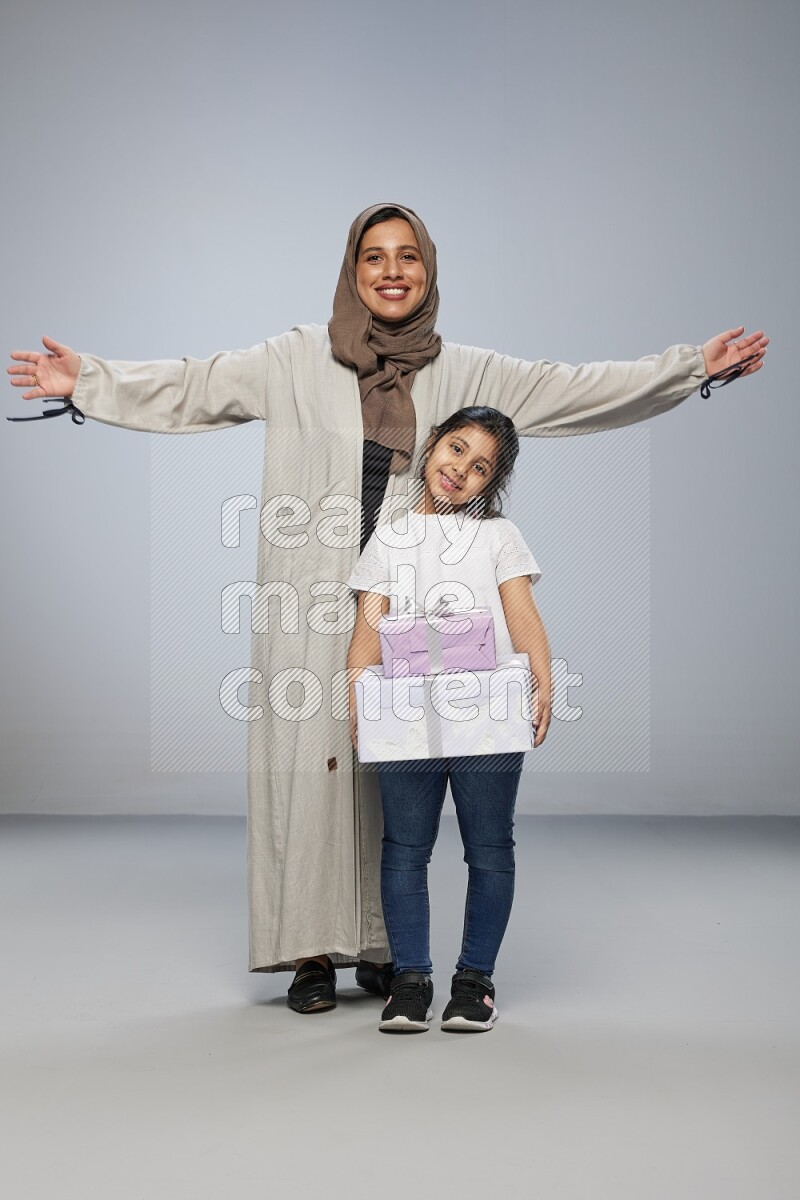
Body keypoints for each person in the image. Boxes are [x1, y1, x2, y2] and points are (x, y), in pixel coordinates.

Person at [6, 202, 769, 1016]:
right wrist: (87, 379)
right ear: (353, 269)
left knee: (393, 765)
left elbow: (575, 389)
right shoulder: (297, 357)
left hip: (410, 601)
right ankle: (308, 951)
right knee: (309, 766)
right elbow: (198, 386)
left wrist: (691, 368)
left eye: (408, 257)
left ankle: (381, 948)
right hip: (305, 590)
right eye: (375, 257)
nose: (392, 271)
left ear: (429, 271)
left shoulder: (470, 370)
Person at [347, 405, 548, 1032]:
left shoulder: (498, 537)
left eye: (481, 466)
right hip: (407, 714)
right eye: (456, 449)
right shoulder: (389, 535)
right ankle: (410, 979)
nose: (461, 469)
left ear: (491, 483)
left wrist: (543, 682)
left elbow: (522, 619)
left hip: (487, 715)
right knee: (405, 847)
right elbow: (367, 632)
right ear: (433, 445)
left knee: (489, 846)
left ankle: (474, 981)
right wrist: (359, 700)